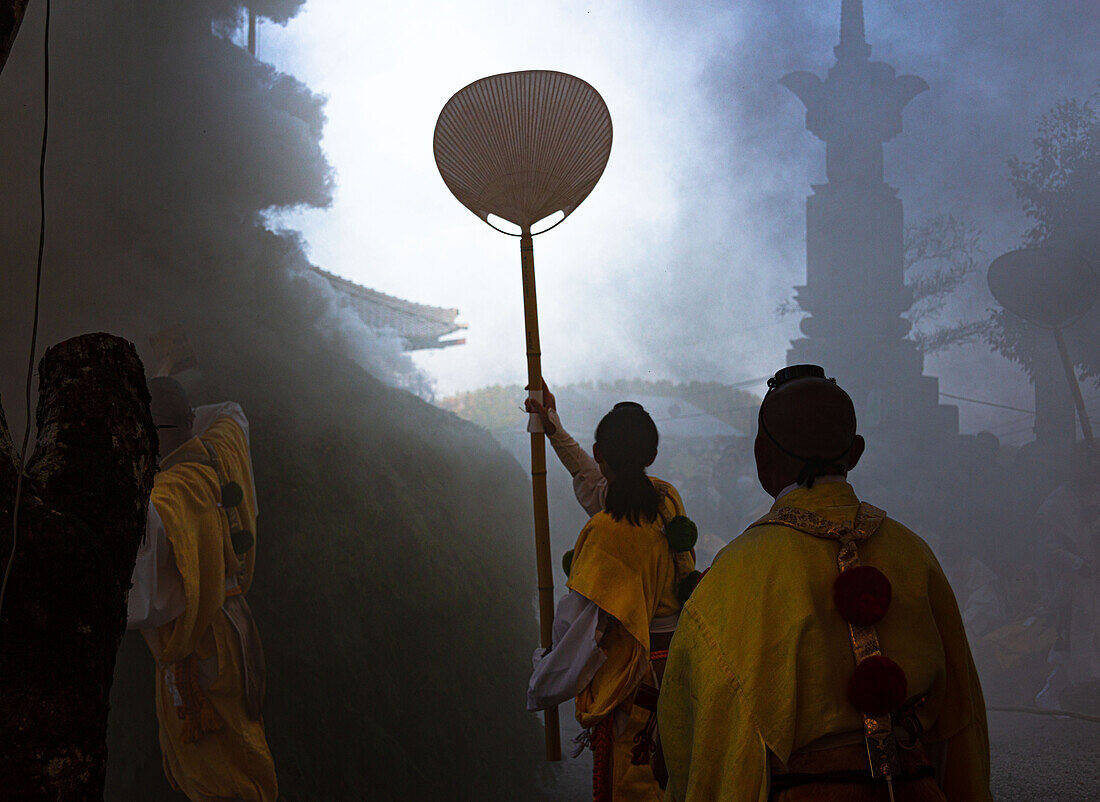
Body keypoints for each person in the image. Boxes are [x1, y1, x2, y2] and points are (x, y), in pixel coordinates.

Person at [658, 365, 991, 801]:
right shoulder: (915, 555)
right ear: (855, 452)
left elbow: (708, 745)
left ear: (761, 454)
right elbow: (959, 725)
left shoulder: (735, 573)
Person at [526, 395, 696, 801]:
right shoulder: (665, 499)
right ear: (652, 454)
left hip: (633, 683)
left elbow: (578, 633)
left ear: (601, 452)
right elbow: (600, 484)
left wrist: (544, 674)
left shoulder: (606, 532)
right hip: (681, 671)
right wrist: (553, 429)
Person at [127, 377, 277, 802]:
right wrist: (169, 390)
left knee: (216, 766)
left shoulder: (172, 494)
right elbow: (228, 410)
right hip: (236, 625)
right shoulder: (222, 447)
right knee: (240, 743)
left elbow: (141, 590)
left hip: (201, 644)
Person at [1033, 441, 1100, 711]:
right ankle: (1072, 698)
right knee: (1078, 643)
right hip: (1075, 586)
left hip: (1095, 582)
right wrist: (1079, 564)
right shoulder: (1056, 503)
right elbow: (1048, 549)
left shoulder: (1096, 494)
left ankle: (1062, 698)